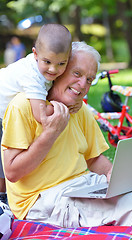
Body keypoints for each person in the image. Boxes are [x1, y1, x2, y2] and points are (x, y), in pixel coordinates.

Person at [2, 41, 132, 228]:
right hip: (42, 200)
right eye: (77, 74)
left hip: (83, 185)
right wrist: (51, 132)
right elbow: (11, 172)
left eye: (89, 79)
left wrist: (112, 175)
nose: (83, 84)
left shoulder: (80, 108)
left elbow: (93, 159)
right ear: (59, 71)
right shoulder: (23, 106)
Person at [0, 23, 73, 204]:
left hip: (5, 114)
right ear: (35, 54)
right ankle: (3, 199)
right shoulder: (31, 75)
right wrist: (63, 108)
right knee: (3, 162)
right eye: (47, 62)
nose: (53, 70)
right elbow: (40, 115)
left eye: (61, 64)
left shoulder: (44, 70)